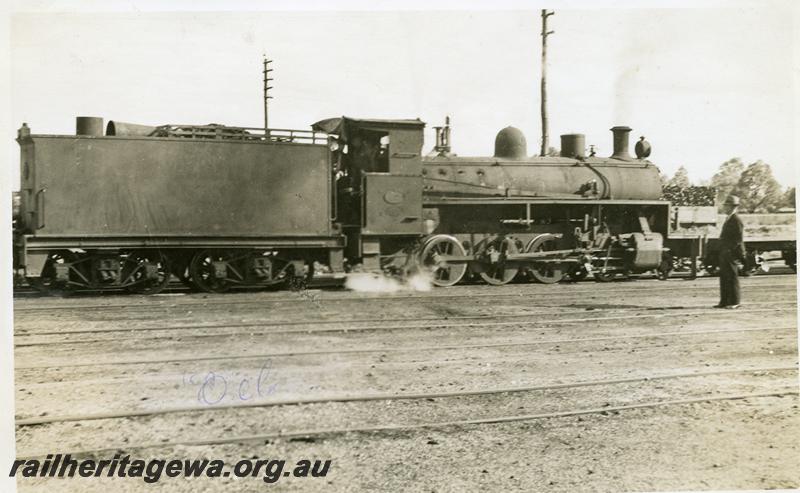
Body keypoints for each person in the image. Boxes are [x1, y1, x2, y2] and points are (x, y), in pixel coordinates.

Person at [716, 195, 746, 309]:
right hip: (725, 251)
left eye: (726, 205)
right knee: (724, 276)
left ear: (733, 207)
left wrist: (729, 250)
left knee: (732, 277)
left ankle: (734, 302)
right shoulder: (729, 219)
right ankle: (724, 301)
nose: (725, 208)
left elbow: (738, 239)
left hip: (731, 253)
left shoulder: (736, 220)